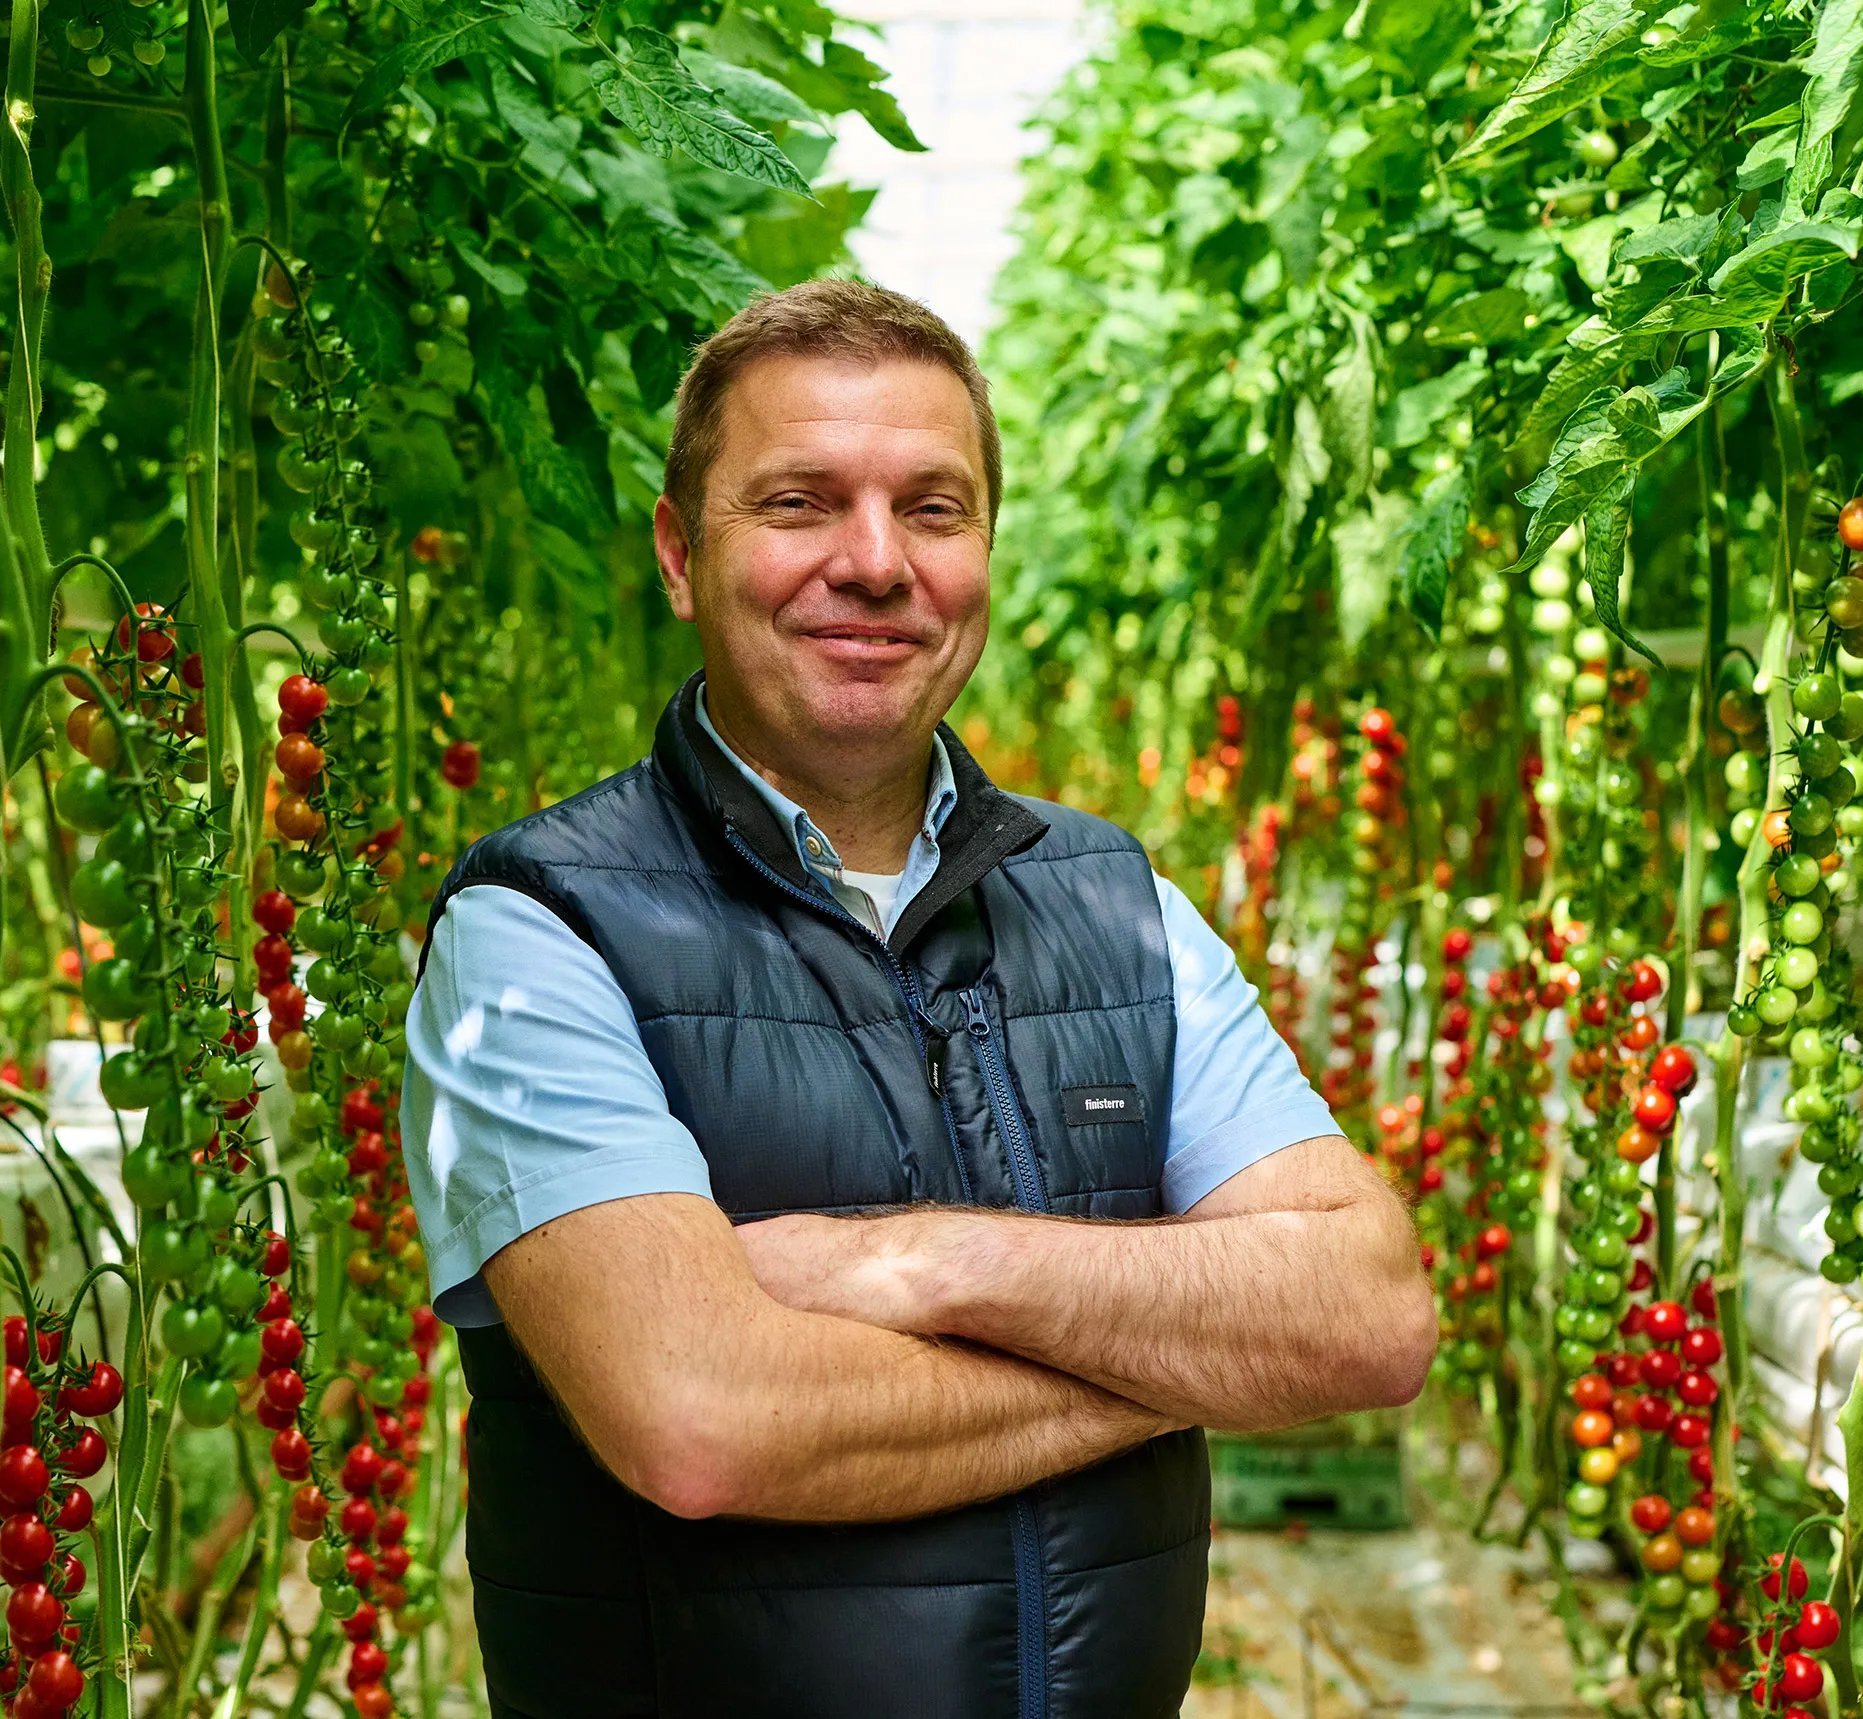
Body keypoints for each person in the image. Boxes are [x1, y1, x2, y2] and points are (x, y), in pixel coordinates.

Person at [400, 279, 1436, 1719]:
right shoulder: (534, 933)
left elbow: (1369, 1315)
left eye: (933, 509)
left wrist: (918, 1269)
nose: (875, 563)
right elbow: (702, 1421)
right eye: (801, 503)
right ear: (679, 553)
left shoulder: (1122, 905)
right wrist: (1189, 1361)